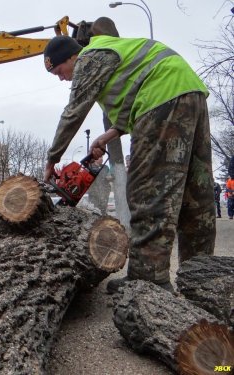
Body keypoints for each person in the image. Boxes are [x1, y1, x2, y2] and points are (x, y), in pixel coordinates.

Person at [42, 32, 215, 293]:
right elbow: (132, 98)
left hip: (161, 96)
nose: (62, 78)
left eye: (59, 71)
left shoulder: (89, 58)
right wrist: (109, 134)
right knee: (196, 193)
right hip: (190, 91)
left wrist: (52, 158)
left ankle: (148, 280)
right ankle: (201, 278)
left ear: (72, 56)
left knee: (148, 192)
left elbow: (73, 113)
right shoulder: (115, 54)